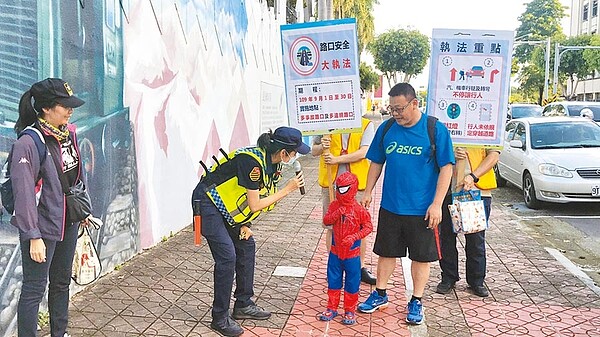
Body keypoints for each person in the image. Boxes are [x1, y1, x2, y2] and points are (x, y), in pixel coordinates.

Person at [191, 127, 308, 337]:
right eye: (294, 152)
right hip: (207, 203)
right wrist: (287, 189)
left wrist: (246, 225)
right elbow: (255, 204)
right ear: (283, 153)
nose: (295, 156)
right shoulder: (252, 163)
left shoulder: (272, 164)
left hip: (225, 208)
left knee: (246, 244)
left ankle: (243, 304)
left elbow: (251, 199)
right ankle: (219, 318)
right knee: (227, 257)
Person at [357, 83, 455, 325]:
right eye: (392, 109)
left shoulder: (435, 130)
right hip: (391, 205)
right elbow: (376, 162)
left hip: (423, 209)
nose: (396, 114)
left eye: (400, 109)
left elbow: (446, 168)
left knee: (421, 258)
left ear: (414, 104)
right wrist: (368, 191)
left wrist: (437, 204)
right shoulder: (387, 128)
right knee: (385, 252)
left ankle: (416, 300)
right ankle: (380, 294)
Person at [12, 78, 89, 337]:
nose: (70, 110)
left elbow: (75, 175)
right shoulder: (28, 142)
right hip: (42, 226)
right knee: (34, 289)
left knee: (61, 283)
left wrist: (82, 211)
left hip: (67, 220)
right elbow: (23, 194)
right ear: (46, 108)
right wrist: (33, 236)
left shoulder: (68, 133)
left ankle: (60, 333)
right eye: (64, 105)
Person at [311, 116, 377, 285]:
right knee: (331, 226)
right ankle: (334, 266)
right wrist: (322, 146)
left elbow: (364, 152)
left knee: (359, 226)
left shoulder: (365, 124)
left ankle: (360, 267)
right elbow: (314, 150)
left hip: (357, 185)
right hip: (331, 184)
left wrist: (337, 159)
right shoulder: (325, 123)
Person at [436, 147, 500, 298]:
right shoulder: (442, 125)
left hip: (475, 191)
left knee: (475, 239)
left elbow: (494, 155)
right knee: (446, 237)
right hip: (446, 190)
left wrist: (473, 176)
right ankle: (448, 277)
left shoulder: (487, 127)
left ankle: (476, 280)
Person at [319, 172, 372, 325]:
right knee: (333, 280)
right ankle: (332, 307)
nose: (340, 192)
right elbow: (327, 220)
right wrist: (337, 213)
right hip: (335, 253)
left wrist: (354, 237)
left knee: (352, 282)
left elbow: (368, 227)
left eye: (343, 189)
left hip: (352, 254)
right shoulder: (335, 205)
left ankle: (349, 310)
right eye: (338, 189)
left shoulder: (359, 209)